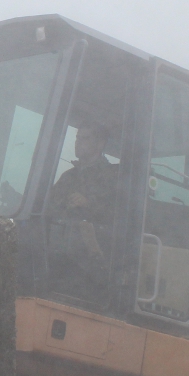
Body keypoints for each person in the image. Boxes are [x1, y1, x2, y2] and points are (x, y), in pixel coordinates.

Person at [46, 122, 121, 300]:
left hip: (92, 265)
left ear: (100, 144)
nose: (78, 142)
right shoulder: (68, 176)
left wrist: (88, 204)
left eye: (85, 138)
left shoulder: (113, 176)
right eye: (77, 138)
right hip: (57, 256)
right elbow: (47, 208)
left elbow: (121, 219)